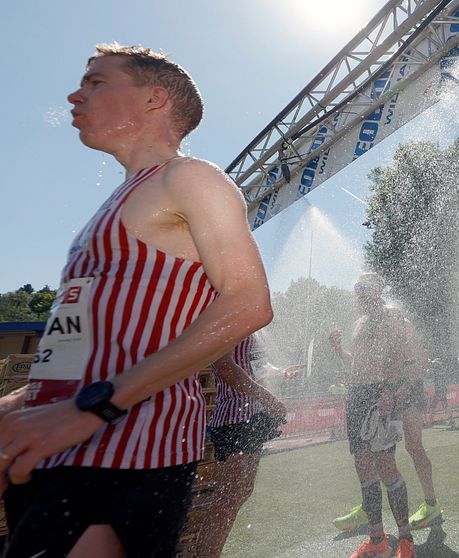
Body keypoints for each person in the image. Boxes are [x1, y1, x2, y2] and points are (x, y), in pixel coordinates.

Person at [0, 44, 273, 558]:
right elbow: (88, 344)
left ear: (154, 99)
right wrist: (24, 401)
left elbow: (249, 302)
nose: (74, 95)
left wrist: (95, 406)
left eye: (96, 82)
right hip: (54, 444)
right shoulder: (112, 205)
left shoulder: (189, 178)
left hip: (125, 456)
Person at [328, 271, 432, 558]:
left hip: (381, 393)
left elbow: (401, 357)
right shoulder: (359, 323)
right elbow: (357, 365)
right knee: (363, 464)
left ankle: (405, 537)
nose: (360, 291)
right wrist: (339, 350)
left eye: (366, 285)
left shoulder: (392, 316)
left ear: (379, 288)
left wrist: (394, 391)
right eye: (357, 285)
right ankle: (377, 538)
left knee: (386, 464)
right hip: (358, 395)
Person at [195, 334, 288, 557]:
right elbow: (225, 368)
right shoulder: (229, 316)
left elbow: (253, 364)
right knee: (226, 500)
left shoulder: (250, 323)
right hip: (233, 419)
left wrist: (279, 373)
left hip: (252, 416)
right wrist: (268, 398)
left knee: (241, 491)